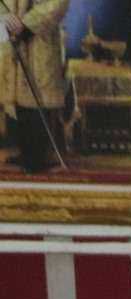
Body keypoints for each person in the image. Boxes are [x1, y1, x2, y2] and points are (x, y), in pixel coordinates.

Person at [1, 0, 70, 174]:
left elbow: (57, 4)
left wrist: (26, 24)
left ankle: (37, 157)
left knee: (37, 99)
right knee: (18, 101)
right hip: (10, 39)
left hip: (39, 40)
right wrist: (5, 18)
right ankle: (26, 152)